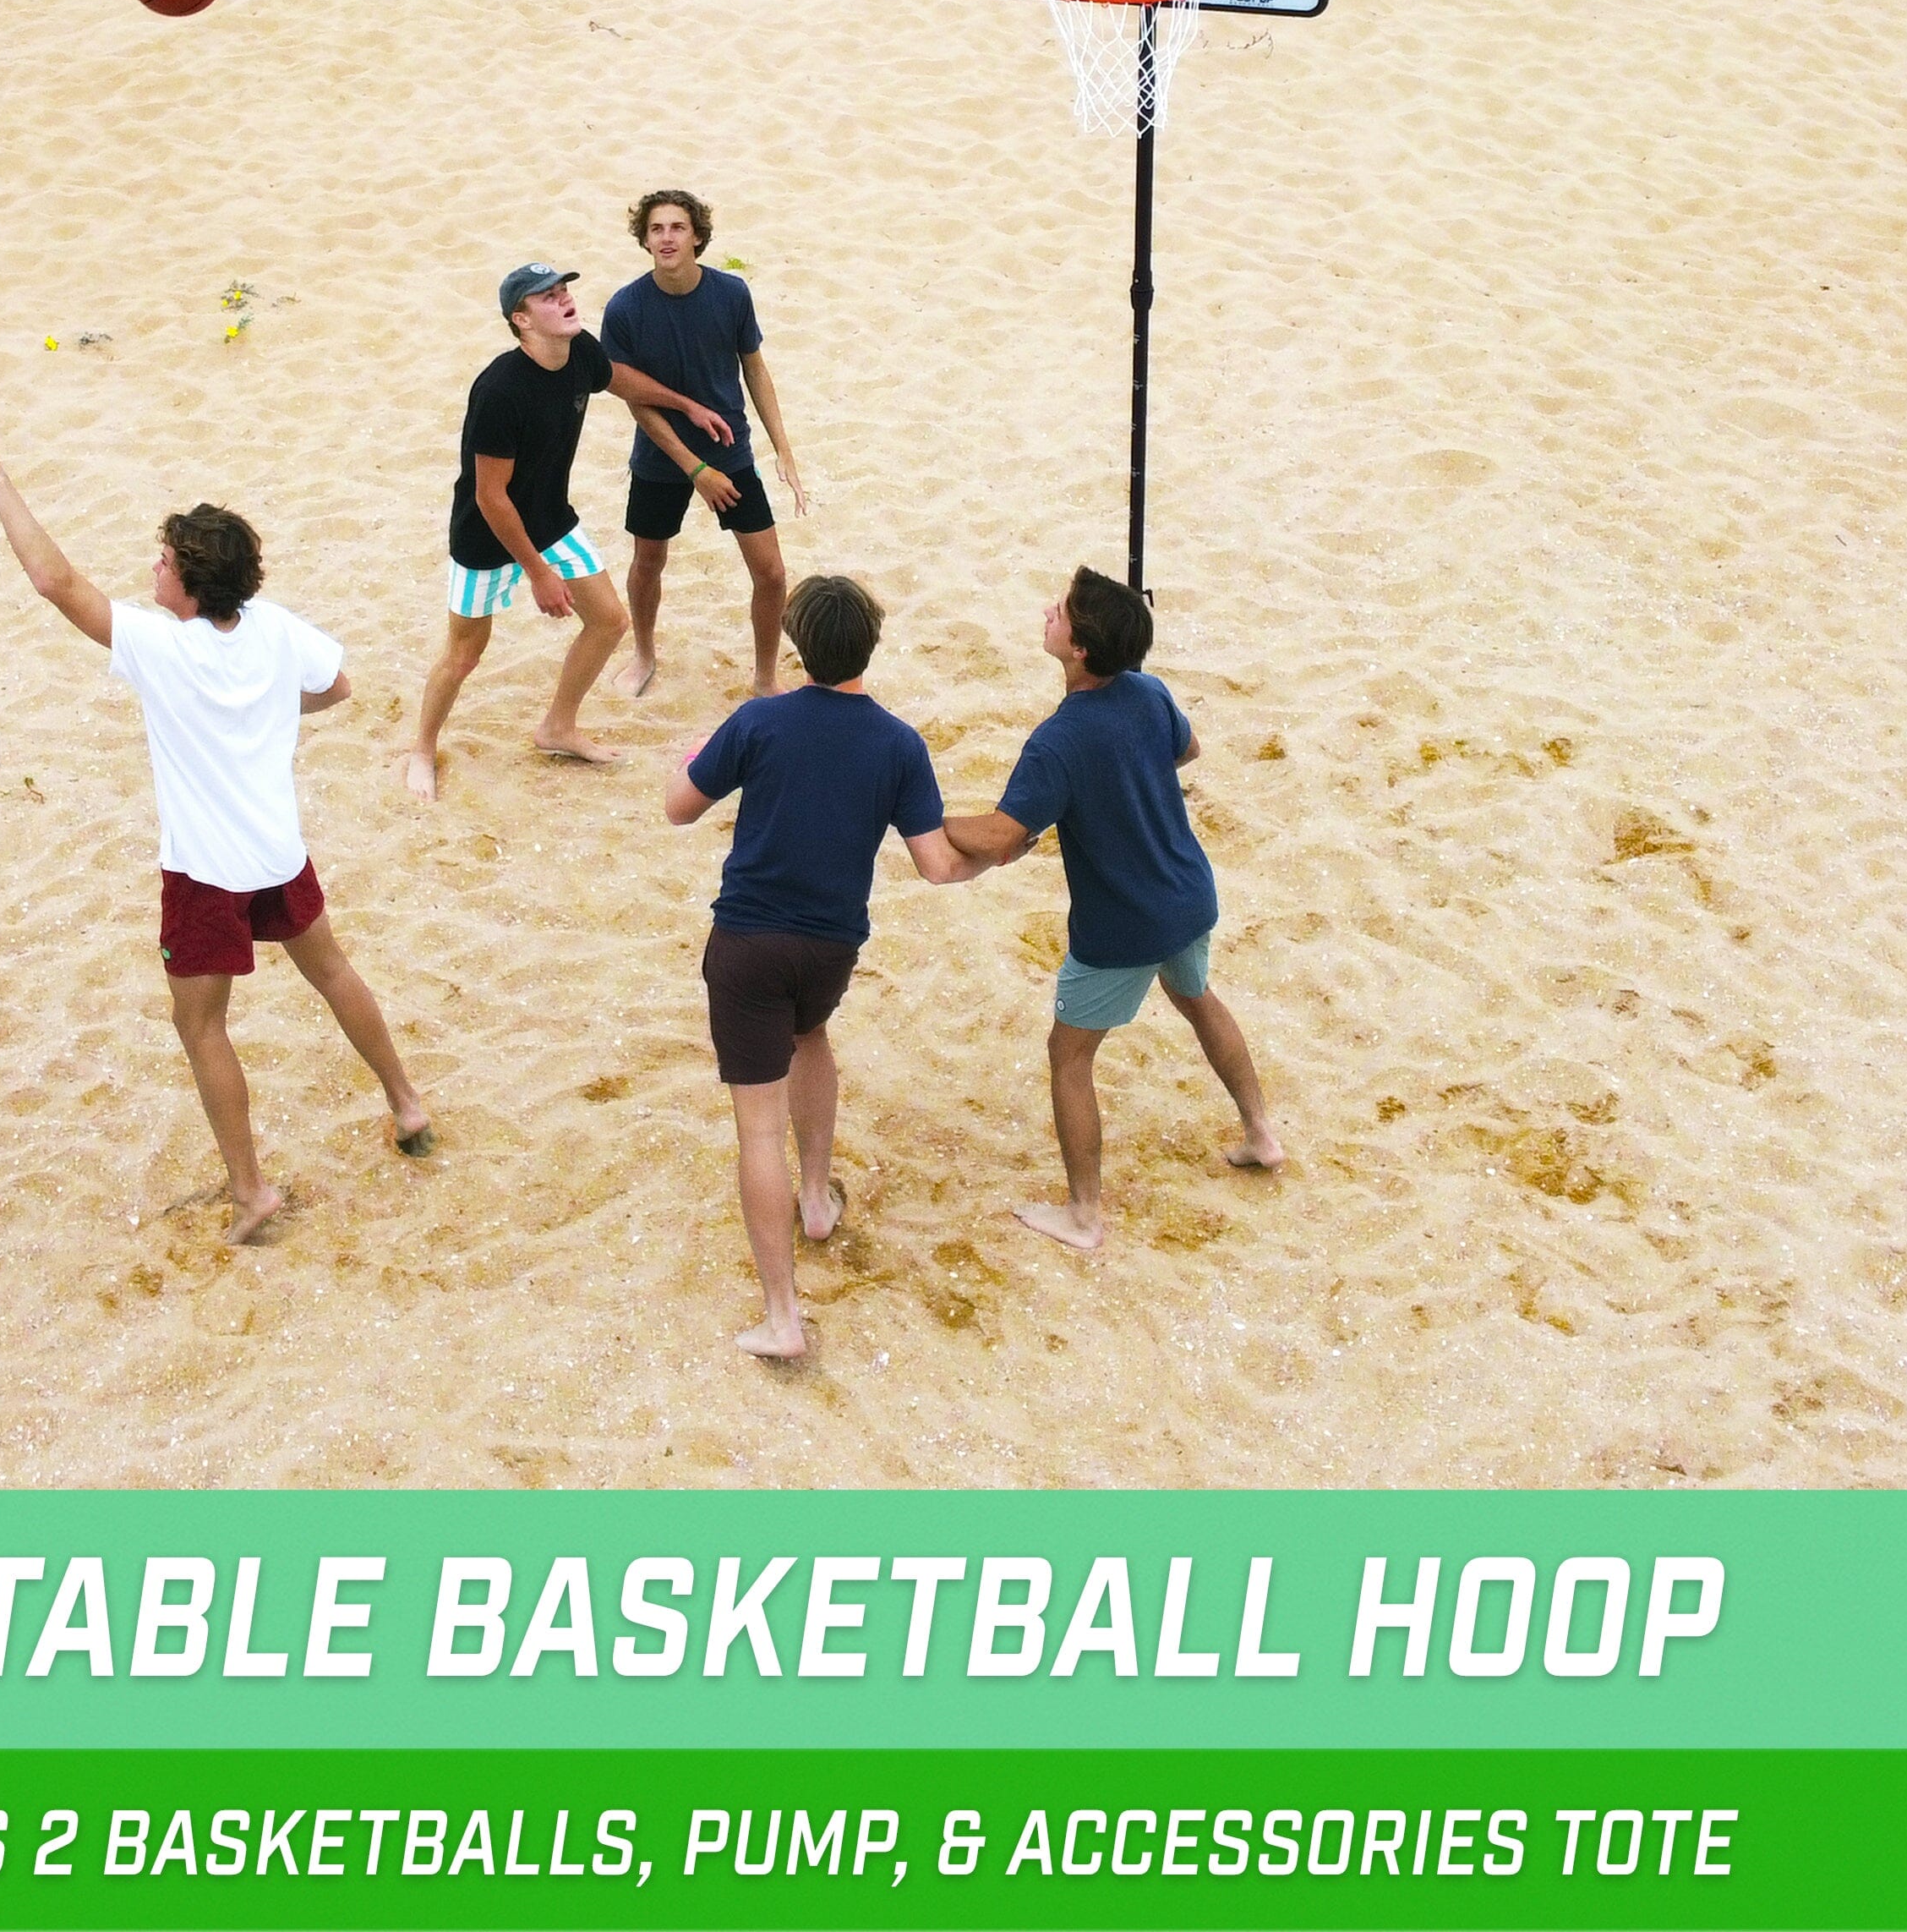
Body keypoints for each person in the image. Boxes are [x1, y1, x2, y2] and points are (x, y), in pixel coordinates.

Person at [0, 413, 431, 1241]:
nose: (153, 571)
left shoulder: (162, 650)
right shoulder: (273, 627)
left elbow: (55, 583)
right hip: (279, 850)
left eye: (164, 562)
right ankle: (407, 1102)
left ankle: (251, 1192)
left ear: (192, 584)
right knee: (333, 970)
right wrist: (274, 708)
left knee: (200, 1024)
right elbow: (339, 687)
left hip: (206, 871)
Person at [666, 574, 988, 1357]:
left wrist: (699, 753)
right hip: (831, 946)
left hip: (748, 943)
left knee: (755, 1131)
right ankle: (816, 1198)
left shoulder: (760, 722)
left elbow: (678, 806)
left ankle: (783, 1317)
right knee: (810, 1035)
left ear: (794, 644)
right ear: (870, 647)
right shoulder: (899, 743)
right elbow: (938, 867)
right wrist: (1004, 852)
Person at [943, 567, 1282, 1252]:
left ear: (1081, 650)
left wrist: (923, 818)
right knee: (1198, 997)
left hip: (1121, 924)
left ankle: (1084, 1214)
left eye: (1061, 611)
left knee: (1068, 1056)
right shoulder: (1150, 693)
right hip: (1188, 893)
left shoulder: (1057, 742)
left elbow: (1003, 836)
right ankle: (1261, 1134)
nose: (1048, 611)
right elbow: (1187, 750)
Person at [403, 262, 735, 802]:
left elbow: (617, 378)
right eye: (547, 297)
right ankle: (421, 748)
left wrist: (685, 405)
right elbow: (491, 496)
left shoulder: (580, 351)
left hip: (552, 517)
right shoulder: (500, 391)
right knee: (465, 653)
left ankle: (557, 727)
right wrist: (538, 573)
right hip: (487, 534)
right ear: (522, 320)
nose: (564, 301)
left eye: (564, 291)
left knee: (608, 620)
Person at [599, 189, 807, 700]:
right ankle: (644, 653)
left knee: (772, 572)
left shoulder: (732, 294)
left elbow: (754, 368)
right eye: (656, 229)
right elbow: (633, 397)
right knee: (649, 561)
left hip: (730, 450)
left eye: (677, 228)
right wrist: (695, 470)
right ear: (645, 241)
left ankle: (764, 677)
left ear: (697, 237)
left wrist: (783, 448)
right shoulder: (625, 307)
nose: (666, 238)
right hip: (660, 455)